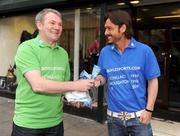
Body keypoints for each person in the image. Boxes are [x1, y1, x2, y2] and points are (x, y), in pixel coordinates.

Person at [11, 8, 94, 136]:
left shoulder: (63, 53)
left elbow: (63, 86)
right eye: (52, 23)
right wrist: (77, 85)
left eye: (60, 24)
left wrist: (72, 97)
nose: (57, 27)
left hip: (56, 123)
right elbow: (38, 85)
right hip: (28, 124)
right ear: (39, 25)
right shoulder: (27, 48)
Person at [94, 10, 160, 136]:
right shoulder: (105, 52)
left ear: (123, 28)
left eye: (109, 28)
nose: (105, 32)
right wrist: (98, 80)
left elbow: (153, 81)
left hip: (139, 118)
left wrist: (149, 110)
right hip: (114, 119)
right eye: (105, 28)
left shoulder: (145, 51)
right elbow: (103, 75)